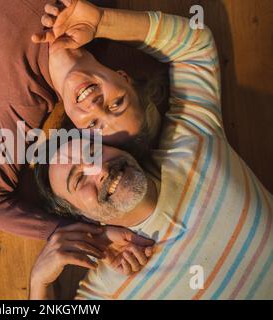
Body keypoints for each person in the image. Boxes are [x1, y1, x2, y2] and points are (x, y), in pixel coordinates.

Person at [30, 2, 273, 299]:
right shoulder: (109, 284)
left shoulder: (192, 142)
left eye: (93, 151)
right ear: (84, 216)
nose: (99, 169)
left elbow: (196, 44)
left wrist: (102, 21)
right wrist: (40, 281)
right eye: (79, 179)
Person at [0, 0, 163, 240]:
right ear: (124, 77)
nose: (96, 106)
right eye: (117, 103)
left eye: (94, 125)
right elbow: (189, 46)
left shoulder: (22, 100)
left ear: (75, 128)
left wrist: (94, 237)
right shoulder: (95, 18)